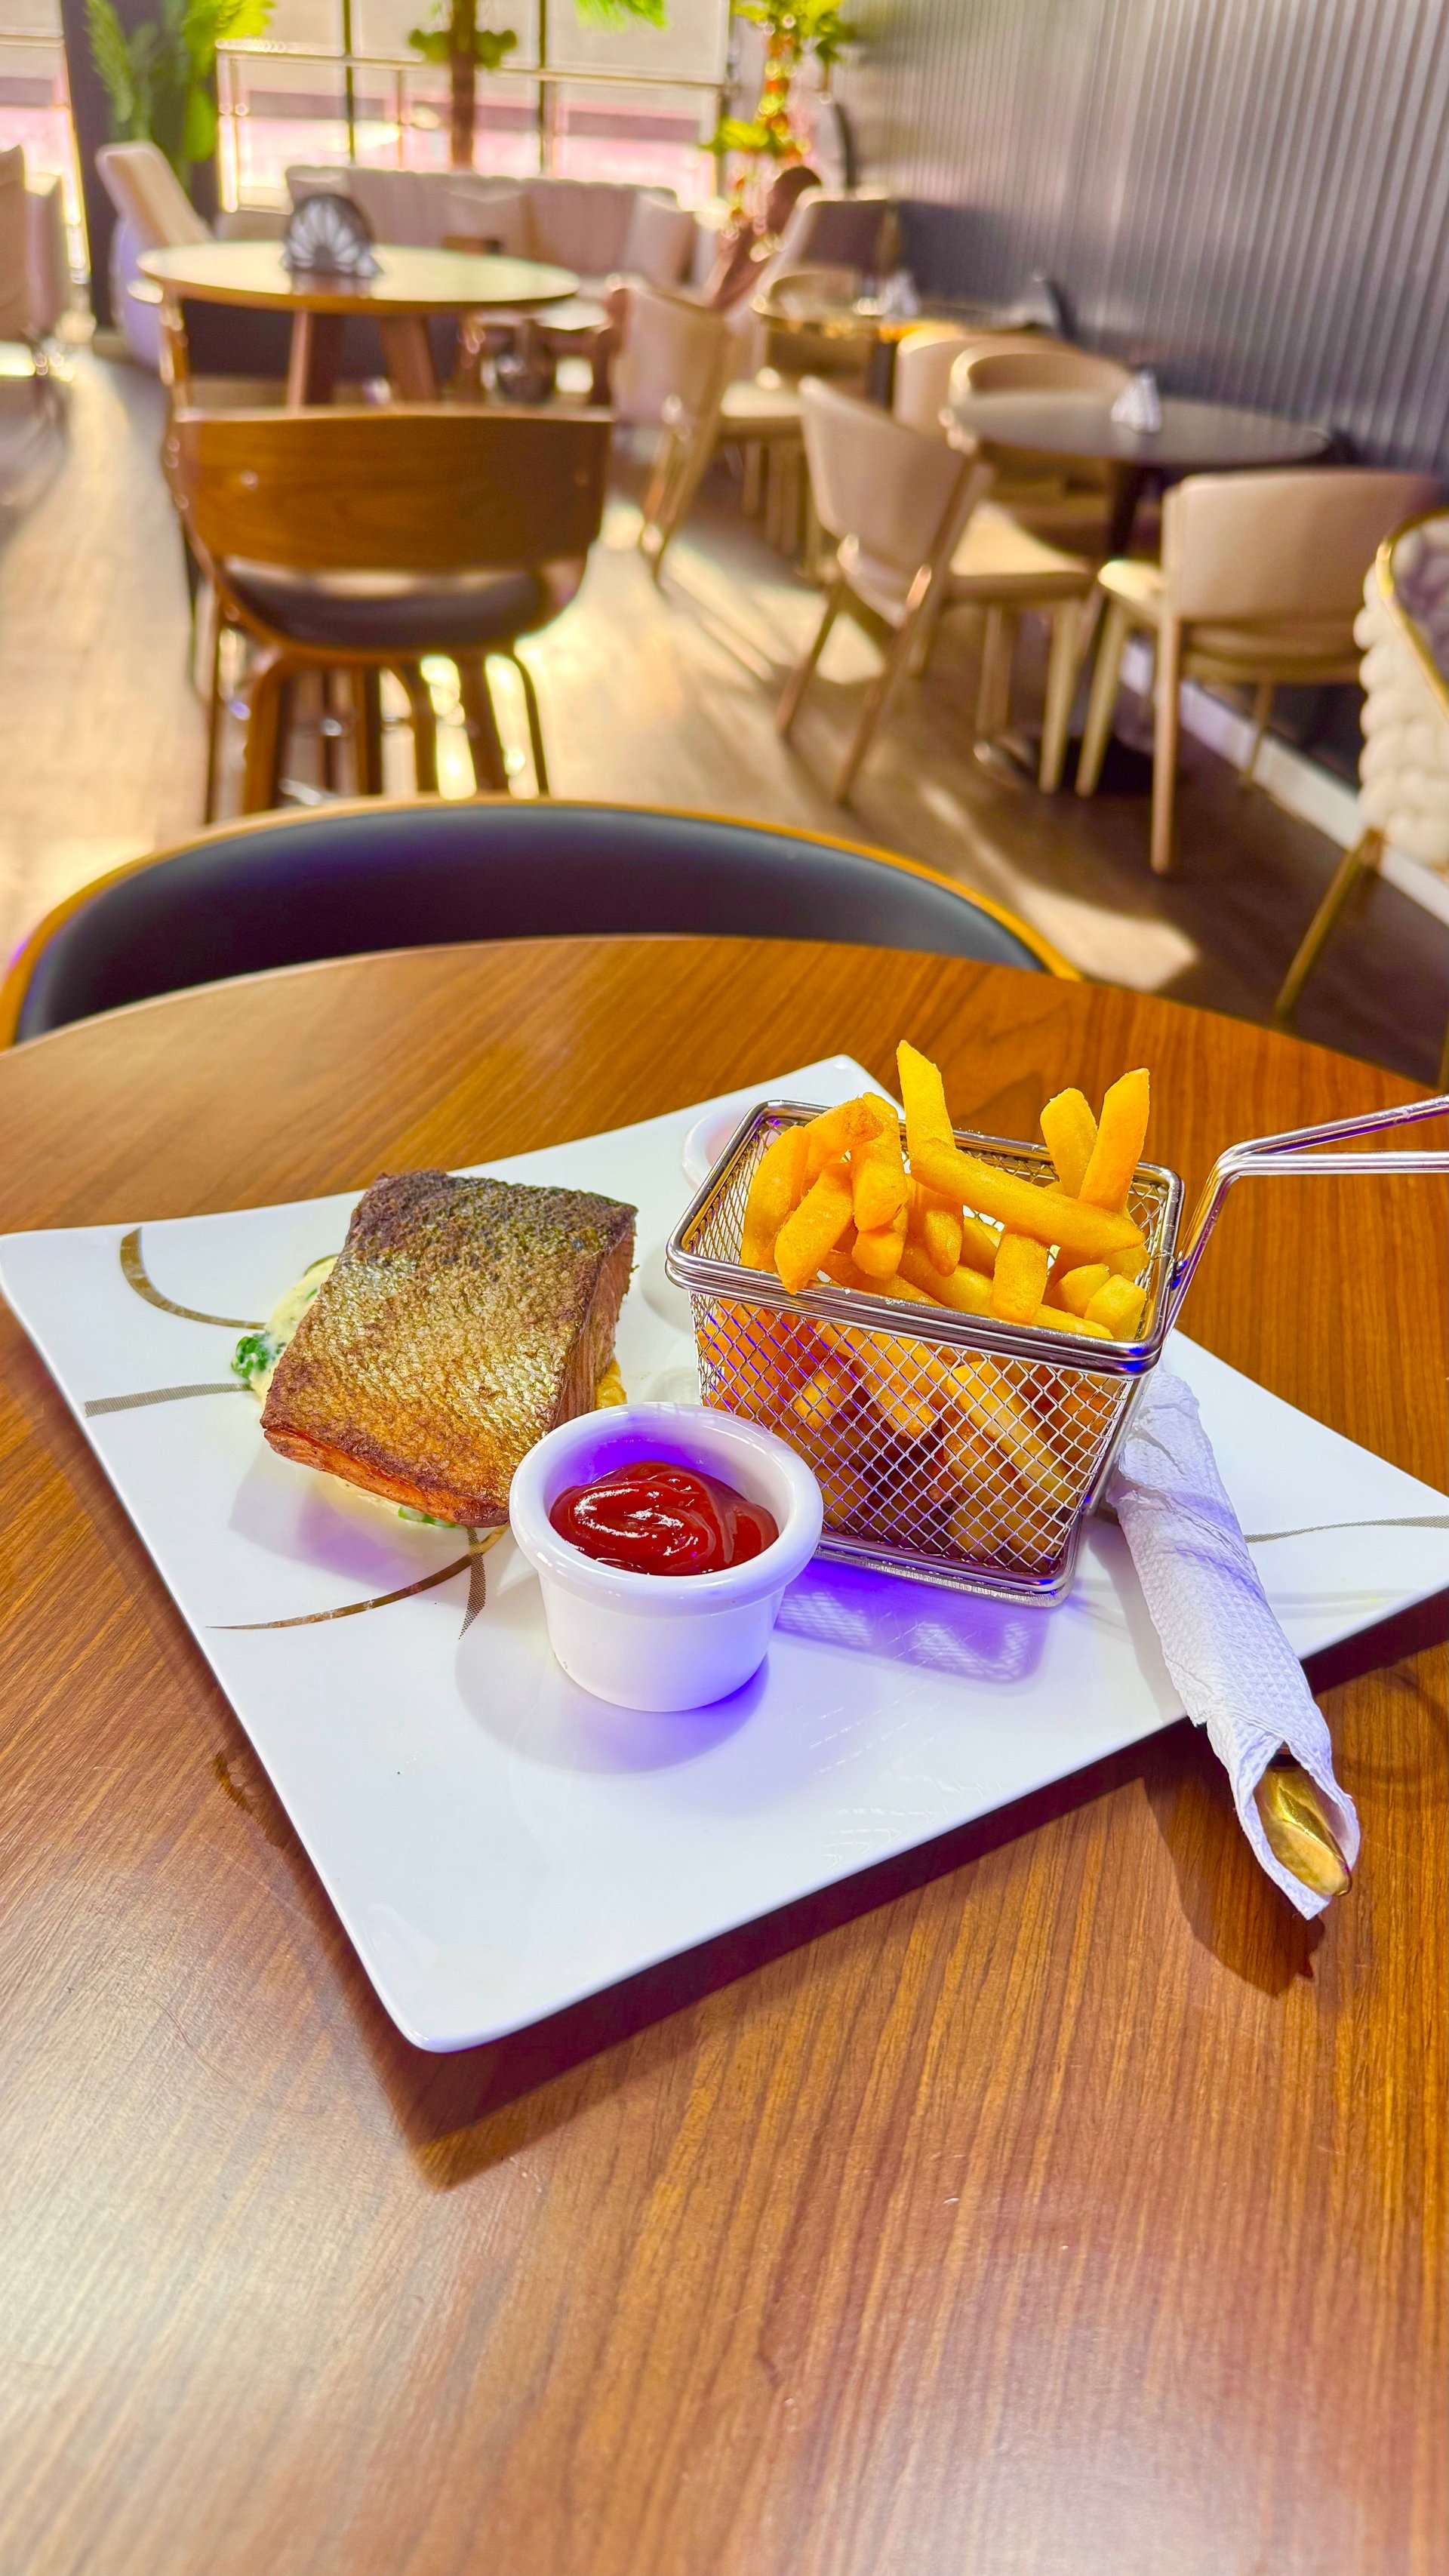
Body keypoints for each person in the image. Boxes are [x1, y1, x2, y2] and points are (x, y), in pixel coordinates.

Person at [700, 163, 822, 312]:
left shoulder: (781, 259)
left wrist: (736, 257)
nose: (763, 210)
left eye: (773, 199)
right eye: (765, 200)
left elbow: (716, 305)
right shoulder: (782, 251)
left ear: (796, 208)